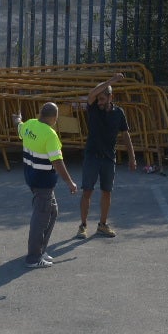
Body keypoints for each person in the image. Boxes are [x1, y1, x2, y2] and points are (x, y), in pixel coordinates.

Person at [76, 72, 138, 239]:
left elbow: (126, 135)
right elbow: (92, 94)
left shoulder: (119, 113)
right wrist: (111, 81)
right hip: (92, 156)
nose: (99, 102)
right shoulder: (93, 109)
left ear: (111, 97)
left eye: (102, 99)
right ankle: (83, 226)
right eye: (98, 99)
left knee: (107, 192)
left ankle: (102, 225)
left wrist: (132, 157)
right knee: (87, 191)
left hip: (109, 158)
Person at [18, 102, 78, 267]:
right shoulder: (50, 135)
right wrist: (70, 182)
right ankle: (33, 258)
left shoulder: (30, 124)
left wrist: (17, 119)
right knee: (40, 218)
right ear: (54, 118)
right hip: (43, 182)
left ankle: (40, 250)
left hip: (32, 177)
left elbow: (19, 127)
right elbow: (57, 161)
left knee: (52, 211)